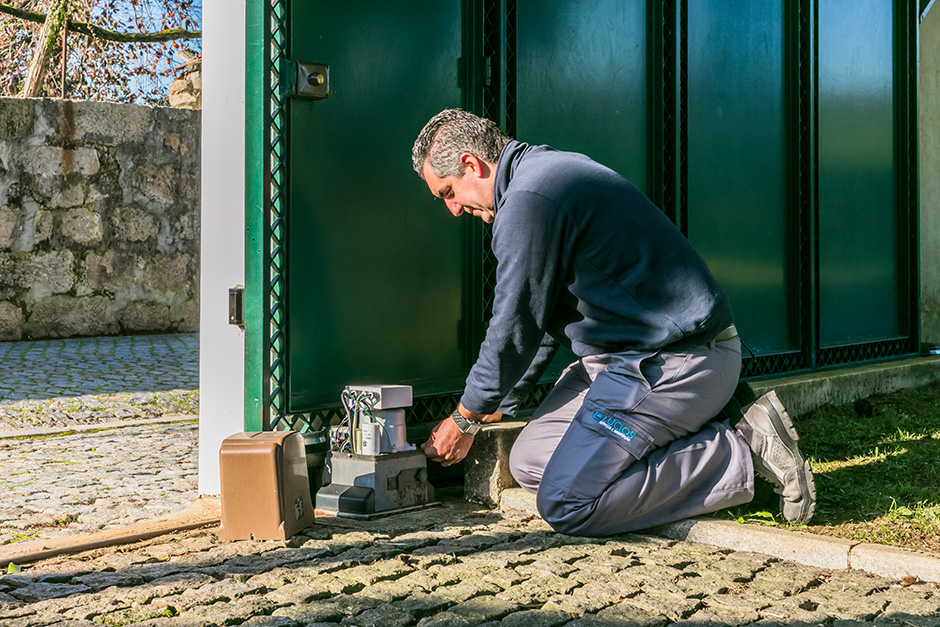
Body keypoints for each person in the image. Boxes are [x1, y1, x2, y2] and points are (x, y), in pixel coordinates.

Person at [412, 108, 816, 536]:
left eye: (448, 192)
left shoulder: (528, 201)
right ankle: (707, 425)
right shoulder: (547, 174)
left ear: (472, 164)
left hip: (676, 359)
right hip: (631, 361)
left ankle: (741, 451)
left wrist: (466, 417)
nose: (453, 209)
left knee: (566, 501)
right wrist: (502, 403)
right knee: (529, 461)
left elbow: (514, 323)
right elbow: (542, 317)